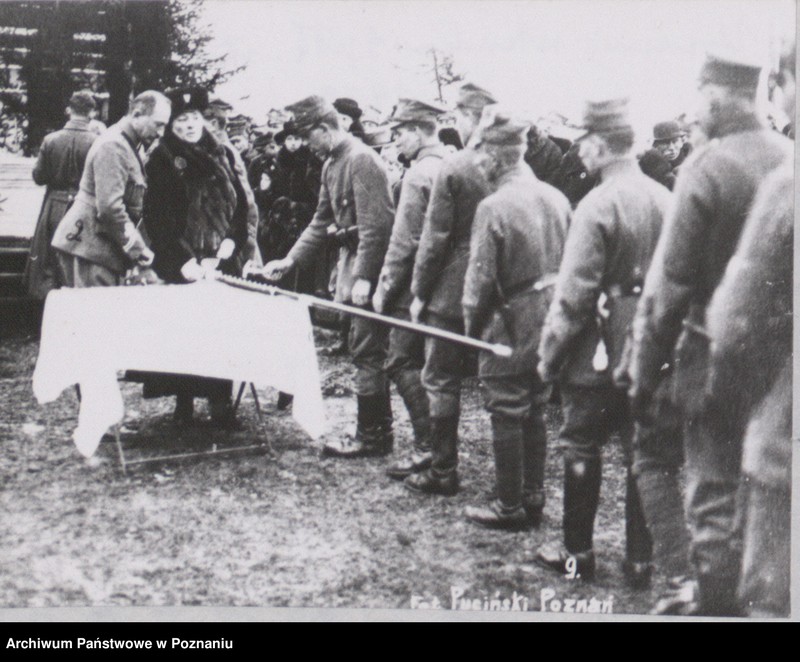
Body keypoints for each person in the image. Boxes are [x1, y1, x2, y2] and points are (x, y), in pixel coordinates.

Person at [627, 52, 792, 616]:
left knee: (713, 491)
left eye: (700, 94)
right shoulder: (787, 158)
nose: (696, 107)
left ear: (718, 95)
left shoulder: (708, 167)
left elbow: (668, 288)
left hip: (715, 355)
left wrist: (643, 372)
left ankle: (715, 604)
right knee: (761, 492)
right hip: (781, 363)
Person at [535, 97, 671, 585]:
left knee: (581, 444)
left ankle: (578, 555)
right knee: (642, 452)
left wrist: (549, 356)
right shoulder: (664, 197)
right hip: (652, 345)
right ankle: (640, 563)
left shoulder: (597, 203)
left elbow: (574, 297)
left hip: (597, 347)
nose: (577, 152)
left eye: (582, 142)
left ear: (599, 144)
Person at [702, 41, 794, 619]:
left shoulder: (788, 183)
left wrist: (728, 393)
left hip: (785, 429)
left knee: (769, 598)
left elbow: (736, 320)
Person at [261, 95, 395, 457]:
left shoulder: (362, 160)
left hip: (368, 266)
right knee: (362, 347)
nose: (307, 145)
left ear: (323, 128)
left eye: (309, 137)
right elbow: (321, 221)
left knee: (368, 349)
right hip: (351, 263)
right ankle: (375, 431)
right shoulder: (333, 164)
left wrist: (365, 277)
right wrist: (290, 261)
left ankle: (374, 435)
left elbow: (377, 227)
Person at [462, 107, 570, 530]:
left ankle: (509, 505)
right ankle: (532, 494)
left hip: (509, 321)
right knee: (536, 405)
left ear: (495, 156)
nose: (477, 163)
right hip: (552, 316)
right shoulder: (556, 196)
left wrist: (473, 332)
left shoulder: (493, 206)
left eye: (480, 154)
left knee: (506, 407)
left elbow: (479, 283)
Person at [134, 86, 251, 426]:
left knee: (221, 333)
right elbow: (157, 216)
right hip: (182, 261)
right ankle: (183, 402)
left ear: (204, 119)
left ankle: (221, 403)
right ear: (171, 124)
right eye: (181, 120)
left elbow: (241, 205)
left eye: (194, 118)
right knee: (184, 333)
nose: (189, 126)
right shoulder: (162, 158)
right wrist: (184, 260)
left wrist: (230, 244)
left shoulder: (223, 153)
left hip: (222, 259)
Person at [403, 82, 497, 496]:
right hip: (499, 285)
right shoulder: (511, 165)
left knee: (440, 377)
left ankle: (443, 469)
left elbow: (434, 238)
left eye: (458, 116)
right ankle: (518, 487)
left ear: (470, 117)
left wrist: (420, 292)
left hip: (452, 287)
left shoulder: (455, 166)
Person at [371, 98, 449, 480]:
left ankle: (427, 447)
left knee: (400, 360)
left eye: (400, 133)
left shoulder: (419, 175)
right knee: (435, 371)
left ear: (418, 131)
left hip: (416, 285)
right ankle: (438, 449)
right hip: (445, 284)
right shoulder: (451, 164)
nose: (396, 141)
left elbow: (405, 241)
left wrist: (384, 288)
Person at [51, 90, 169, 287]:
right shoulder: (114, 145)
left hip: (97, 249)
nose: (161, 132)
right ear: (137, 114)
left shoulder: (127, 143)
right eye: (158, 124)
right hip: (90, 249)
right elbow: (110, 208)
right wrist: (138, 249)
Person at [24, 90, 98, 299]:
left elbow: (39, 177)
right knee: (79, 262)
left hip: (54, 205)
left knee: (49, 262)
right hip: (85, 207)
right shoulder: (97, 142)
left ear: (68, 110)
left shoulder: (51, 140)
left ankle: (48, 307)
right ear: (92, 113)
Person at [638, 120, 690, 191]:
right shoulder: (649, 168)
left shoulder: (690, 162)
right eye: (665, 143)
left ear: (682, 141)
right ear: (655, 145)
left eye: (675, 141)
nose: (671, 147)